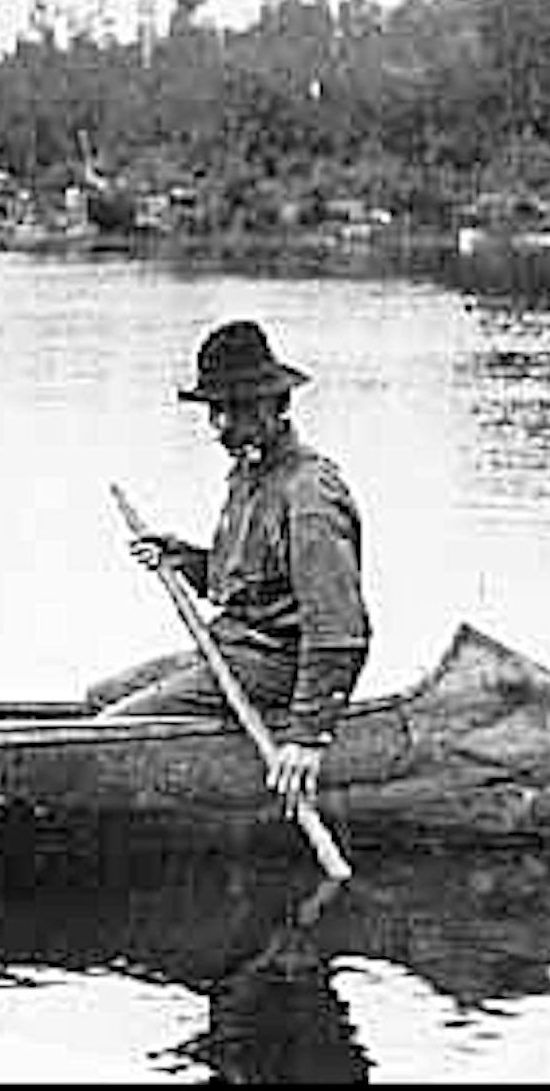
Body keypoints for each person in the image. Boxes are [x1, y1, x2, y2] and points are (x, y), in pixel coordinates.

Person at [93, 320, 371, 818]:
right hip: (232, 650)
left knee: (110, 734)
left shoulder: (310, 493)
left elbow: (339, 631)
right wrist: (185, 559)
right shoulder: (250, 475)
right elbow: (248, 586)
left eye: (236, 408)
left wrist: (307, 737)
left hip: (275, 667)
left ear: (276, 405)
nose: (220, 425)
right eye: (215, 410)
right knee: (101, 698)